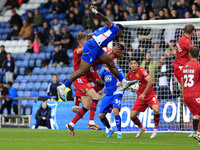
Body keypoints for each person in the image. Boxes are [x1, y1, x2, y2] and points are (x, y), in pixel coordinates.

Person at [57, 5, 135, 102]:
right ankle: (63, 86)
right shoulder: (115, 28)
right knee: (82, 71)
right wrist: (96, 12)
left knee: (110, 62)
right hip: (92, 46)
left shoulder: (101, 30)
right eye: (121, 33)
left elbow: (90, 35)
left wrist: (85, 36)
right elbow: (106, 19)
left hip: (97, 48)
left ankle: (123, 81)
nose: (121, 35)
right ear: (120, 31)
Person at [66, 32, 104, 135]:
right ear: (83, 41)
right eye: (87, 41)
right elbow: (80, 50)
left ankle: (71, 124)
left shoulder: (86, 51)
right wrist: (94, 42)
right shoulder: (77, 50)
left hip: (84, 79)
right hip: (79, 79)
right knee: (95, 97)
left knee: (87, 105)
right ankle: (91, 122)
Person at [127, 58, 160, 139]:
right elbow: (127, 83)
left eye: (135, 63)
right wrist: (128, 87)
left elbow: (150, 82)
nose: (133, 65)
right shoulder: (129, 74)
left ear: (137, 64)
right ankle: (141, 128)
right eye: (131, 63)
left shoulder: (142, 71)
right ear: (129, 65)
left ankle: (155, 130)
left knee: (156, 110)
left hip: (150, 95)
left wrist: (144, 93)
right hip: (140, 98)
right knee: (132, 116)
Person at [99, 65, 124, 138]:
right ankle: (110, 129)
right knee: (101, 115)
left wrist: (120, 83)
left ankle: (119, 132)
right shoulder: (103, 71)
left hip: (116, 93)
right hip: (107, 94)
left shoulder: (117, 68)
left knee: (116, 111)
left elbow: (123, 78)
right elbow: (97, 79)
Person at [181, 47, 200, 144]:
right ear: (199, 54)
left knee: (197, 114)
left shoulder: (184, 66)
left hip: (187, 96)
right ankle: (197, 133)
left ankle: (196, 132)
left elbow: (182, 81)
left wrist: (183, 96)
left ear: (189, 55)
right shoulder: (198, 66)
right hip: (195, 95)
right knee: (198, 114)